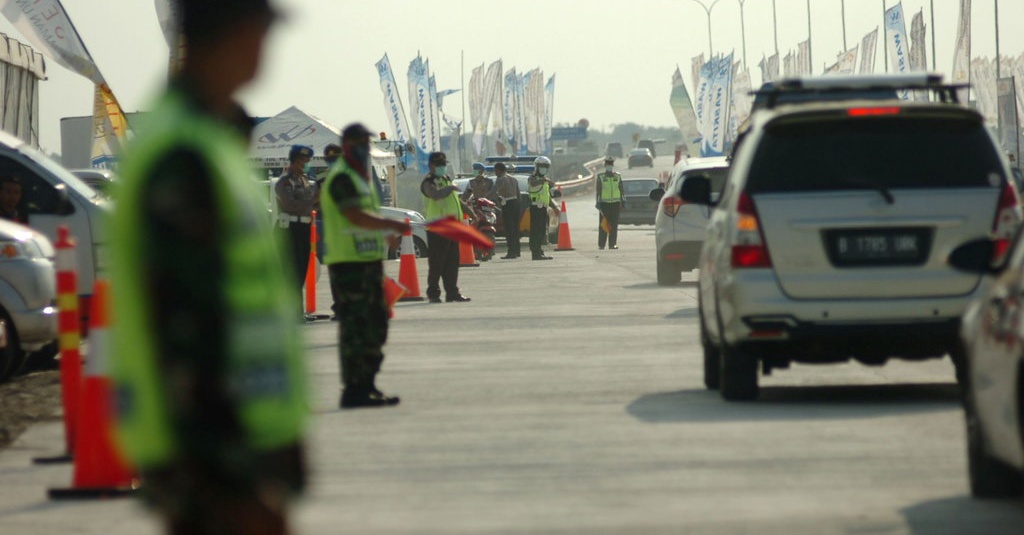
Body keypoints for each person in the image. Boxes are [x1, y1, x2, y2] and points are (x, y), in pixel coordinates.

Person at [108, 1, 307, 534]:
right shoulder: (185, 153)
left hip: (230, 440)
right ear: (239, 35)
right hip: (211, 451)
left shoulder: (206, 142)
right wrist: (229, 476)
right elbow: (184, 324)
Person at [321, 123, 409, 408]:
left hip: (367, 262)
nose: (364, 148)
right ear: (347, 145)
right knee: (356, 329)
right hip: (348, 265)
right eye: (359, 142)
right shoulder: (341, 178)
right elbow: (355, 216)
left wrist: (385, 236)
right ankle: (354, 390)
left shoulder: (361, 179)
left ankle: (368, 384)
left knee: (376, 324)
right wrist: (390, 224)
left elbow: (367, 217)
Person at [420, 151, 470, 303]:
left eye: (443, 164)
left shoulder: (446, 179)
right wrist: (450, 189)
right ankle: (433, 293)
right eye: (438, 165)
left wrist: (469, 210)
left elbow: (455, 200)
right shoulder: (428, 182)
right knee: (437, 263)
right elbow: (435, 195)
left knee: (452, 262)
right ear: (431, 166)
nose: (442, 167)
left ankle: (452, 292)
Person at [275, 143, 318, 315]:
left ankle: (296, 312)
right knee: (291, 272)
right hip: (290, 229)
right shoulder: (286, 181)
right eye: (303, 160)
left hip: (304, 227)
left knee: (301, 271)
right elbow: (290, 204)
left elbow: (311, 204)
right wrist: (313, 200)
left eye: (307, 161)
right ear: (294, 161)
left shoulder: (304, 179)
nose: (305, 164)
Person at [527, 156, 559, 260]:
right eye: (541, 166)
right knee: (535, 232)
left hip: (543, 208)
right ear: (536, 167)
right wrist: (545, 181)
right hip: (536, 208)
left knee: (541, 232)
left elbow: (547, 197)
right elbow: (532, 183)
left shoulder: (545, 181)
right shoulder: (533, 178)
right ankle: (535, 253)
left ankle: (540, 252)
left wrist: (554, 207)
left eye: (545, 167)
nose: (543, 169)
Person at [492, 162, 521, 259]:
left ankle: (511, 252)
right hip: (516, 204)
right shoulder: (513, 179)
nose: (495, 172)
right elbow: (518, 194)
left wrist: (483, 198)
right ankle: (517, 251)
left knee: (509, 230)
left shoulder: (500, 179)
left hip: (507, 205)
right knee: (516, 229)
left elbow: (493, 192)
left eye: (495, 170)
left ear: (499, 170)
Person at [596, 156, 624, 250]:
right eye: (608, 164)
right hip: (604, 204)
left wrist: (623, 200)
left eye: (611, 164)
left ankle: (612, 244)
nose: (609, 166)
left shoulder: (618, 176)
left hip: (615, 203)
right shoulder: (601, 177)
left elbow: (621, 188)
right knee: (604, 225)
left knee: (614, 225)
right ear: (605, 165)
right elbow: (598, 190)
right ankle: (601, 245)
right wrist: (598, 202)